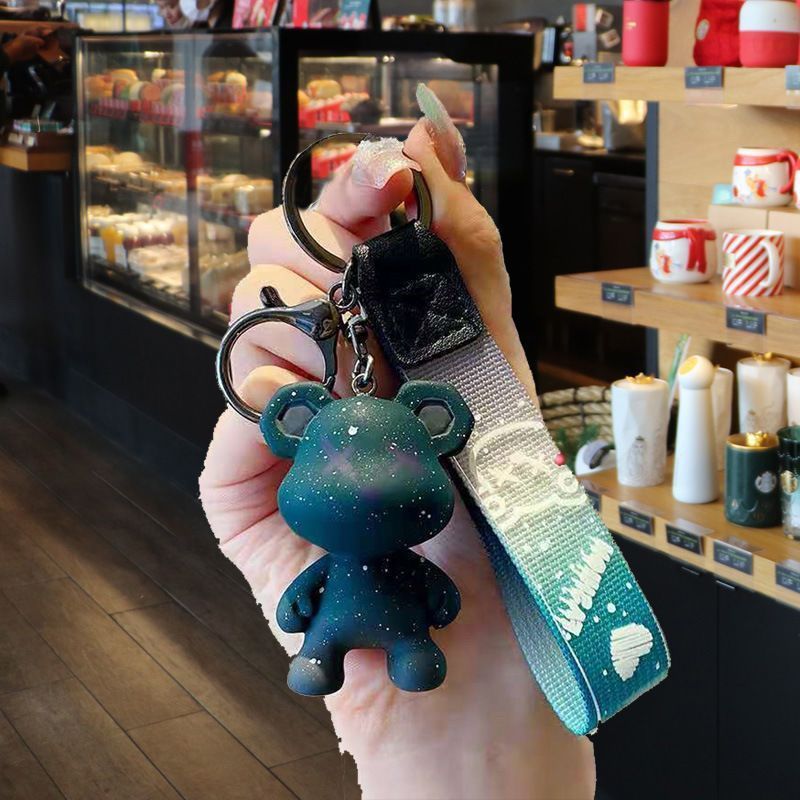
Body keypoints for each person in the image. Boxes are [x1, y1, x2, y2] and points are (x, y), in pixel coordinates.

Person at [200, 85, 596, 800]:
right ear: (293, 423)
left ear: (438, 423)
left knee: (405, 652)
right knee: (344, 647)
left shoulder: (425, 506)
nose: (366, 484)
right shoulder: (341, 530)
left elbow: (428, 596)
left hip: (459, 656)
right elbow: (330, 599)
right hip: (387, 664)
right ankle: (330, 658)